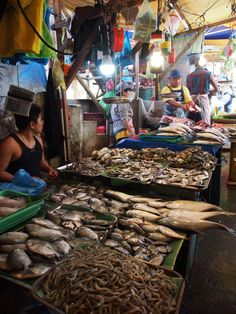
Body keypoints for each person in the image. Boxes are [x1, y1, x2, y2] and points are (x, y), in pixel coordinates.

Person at [0, 103, 58, 182]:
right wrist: (24, 180)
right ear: (32, 124)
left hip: (36, 188)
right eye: (41, 120)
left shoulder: (38, 140)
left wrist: (49, 169)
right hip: (16, 192)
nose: (42, 123)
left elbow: (41, 162)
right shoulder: (10, 144)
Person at [187, 54, 219, 124]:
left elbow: (187, 91)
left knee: (191, 122)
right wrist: (210, 94)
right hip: (204, 98)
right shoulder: (208, 74)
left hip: (192, 100)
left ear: (194, 65)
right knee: (205, 122)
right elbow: (216, 89)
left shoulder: (189, 76)